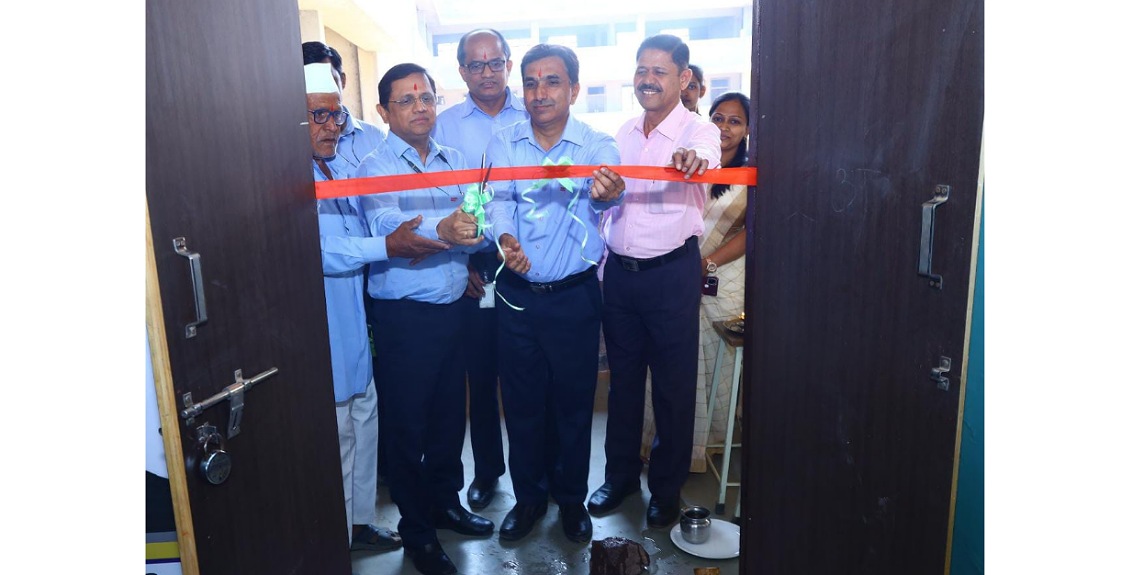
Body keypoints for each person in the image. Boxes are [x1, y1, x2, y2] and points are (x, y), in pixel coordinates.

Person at [482, 43, 625, 544]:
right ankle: (528, 499)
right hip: (516, 295)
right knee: (521, 405)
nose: (540, 92)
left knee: (573, 405)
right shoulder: (503, 143)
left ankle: (570, 500)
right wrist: (506, 241)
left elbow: (610, 182)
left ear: (574, 90)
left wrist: (608, 190)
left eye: (552, 81)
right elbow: (496, 202)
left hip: (574, 297)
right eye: (531, 82)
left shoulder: (595, 144)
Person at [304, 62, 445, 553]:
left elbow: (374, 222)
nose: (333, 127)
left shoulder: (339, 167)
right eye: (319, 116)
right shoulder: (286, 178)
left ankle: (361, 523)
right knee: (339, 430)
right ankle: (337, 533)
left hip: (357, 316)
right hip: (321, 321)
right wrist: (388, 246)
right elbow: (321, 251)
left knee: (365, 418)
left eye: (337, 115)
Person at [356, 62, 492, 575]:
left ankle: (445, 504)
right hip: (404, 319)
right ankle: (416, 530)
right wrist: (444, 229)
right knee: (407, 427)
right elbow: (388, 225)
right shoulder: (372, 167)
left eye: (427, 98)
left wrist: (473, 232)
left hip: (455, 310)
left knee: (447, 419)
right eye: (407, 100)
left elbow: (476, 221)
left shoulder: (455, 159)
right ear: (384, 110)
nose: (420, 108)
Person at [589, 34, 721, 530]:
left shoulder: (698, 131)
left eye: (659, 71)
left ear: (683, 79)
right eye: (641, 70)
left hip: (671, 276)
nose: (647, 80)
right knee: (622, 384)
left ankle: (666, 489)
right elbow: (605, 200)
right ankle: (620, 476)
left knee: (672, 387)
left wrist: (693, 160)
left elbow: (704, 155)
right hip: (620, 277)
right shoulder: (623, 133)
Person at [432, 28, 529, 511]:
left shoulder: (535, 111)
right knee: (483, 371)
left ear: (509, 64)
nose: (487, 72)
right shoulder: (444, 126)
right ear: (462, 71)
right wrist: (465, 259)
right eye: (476, 64)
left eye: (495, 62)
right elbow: (439, 199)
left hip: (527, 263)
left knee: (529, 374)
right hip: (476, 266)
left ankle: (538, 474)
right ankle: (488, 471)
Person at [640, 92, 751, 472]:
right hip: (675, 275)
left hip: (721, 277)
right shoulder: (689, 164)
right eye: (718, 118)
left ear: (747, 130)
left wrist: (706, 263)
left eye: (735, 121)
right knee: (669, 363)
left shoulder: (749, 174)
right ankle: (659, 442)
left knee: (712, 362)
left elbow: (751, 232)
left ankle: (704, 446)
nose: (724, 128)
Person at [302, 41, 387, 170]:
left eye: (327, 78)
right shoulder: (292, 153)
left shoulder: (375, 138)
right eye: (320, 114)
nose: (332, 127)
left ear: (342, 80)